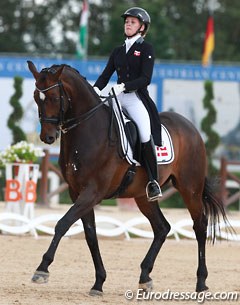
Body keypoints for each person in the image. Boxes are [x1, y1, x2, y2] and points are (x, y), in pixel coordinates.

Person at [93, 7, 162, 201]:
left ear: (142, 27)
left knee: (143, 132)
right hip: (117, 96)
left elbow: (145, 79)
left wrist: (124, 86)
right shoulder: (118, 51)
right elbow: (105, 75)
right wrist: (96, 90)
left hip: (135, 97)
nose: (128, 24)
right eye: (126, 22)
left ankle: (153, 181)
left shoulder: (146, 49)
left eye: (132, 22)